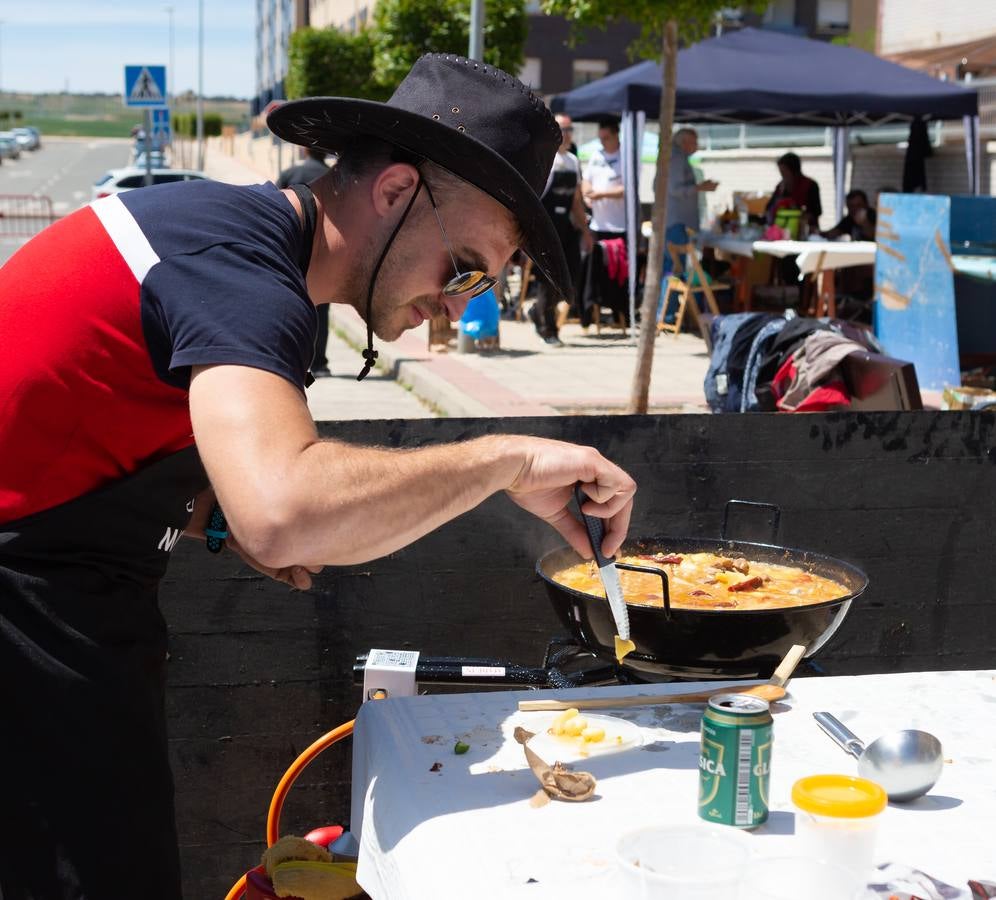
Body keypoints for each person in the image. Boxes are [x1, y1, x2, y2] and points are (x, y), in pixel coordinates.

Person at [0, 53, 637, 899]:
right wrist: (504, 459)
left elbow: (103, 438)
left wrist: (214, 519)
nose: (460, 306)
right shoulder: (237, 271)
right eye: (466, 269)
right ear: (395, 190)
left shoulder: (253, 263)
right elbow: (284, 512)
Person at [530, 114, 592, 346]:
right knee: (549, 279)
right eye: (562, 129)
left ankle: (538, 311)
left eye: (569, 129)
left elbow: (576, 201)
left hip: (566, 227)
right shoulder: (545, 159)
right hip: (547, 228)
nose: (566, 134)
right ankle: (548, 328)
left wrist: (585, 231)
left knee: (570, 279)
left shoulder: (573, 161)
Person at [276, 147, 333, 375]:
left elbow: (275, 207)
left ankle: (289, 360)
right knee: (320, 311)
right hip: (325, 254)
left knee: (288, 307)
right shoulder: (334, 176)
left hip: (292, 251)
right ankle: (319, 363)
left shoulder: (290, 174)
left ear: (304, 150)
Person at [659, 128, 718, 322]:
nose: (697, 145)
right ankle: (667, 315)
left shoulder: (678, 159)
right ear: (684, 142)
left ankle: (667, 314)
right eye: (694, 141)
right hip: (676, 222)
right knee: (674, 269)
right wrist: (700, 187)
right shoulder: (676, 160)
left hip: (677, 221)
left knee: (673, 268)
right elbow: (675, 190)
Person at [582, 117, 626, 242]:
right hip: (597, 225)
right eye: (600, 138)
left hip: (619, 226)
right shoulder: (596, 155)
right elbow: (585, 179)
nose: (602, 142)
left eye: (606, 138)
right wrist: (587, 195)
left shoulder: (626, 157)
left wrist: (600, 195)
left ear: (616, 135)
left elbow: (627, 190)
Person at [765, 151, 822, 233]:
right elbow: (769, 209)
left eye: (784, 173)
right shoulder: (780, 187)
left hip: (805, 231)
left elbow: (816, 211)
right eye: (781, 173)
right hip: (783, 232)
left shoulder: (810, 185)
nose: (783, 176)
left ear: (794, 171)